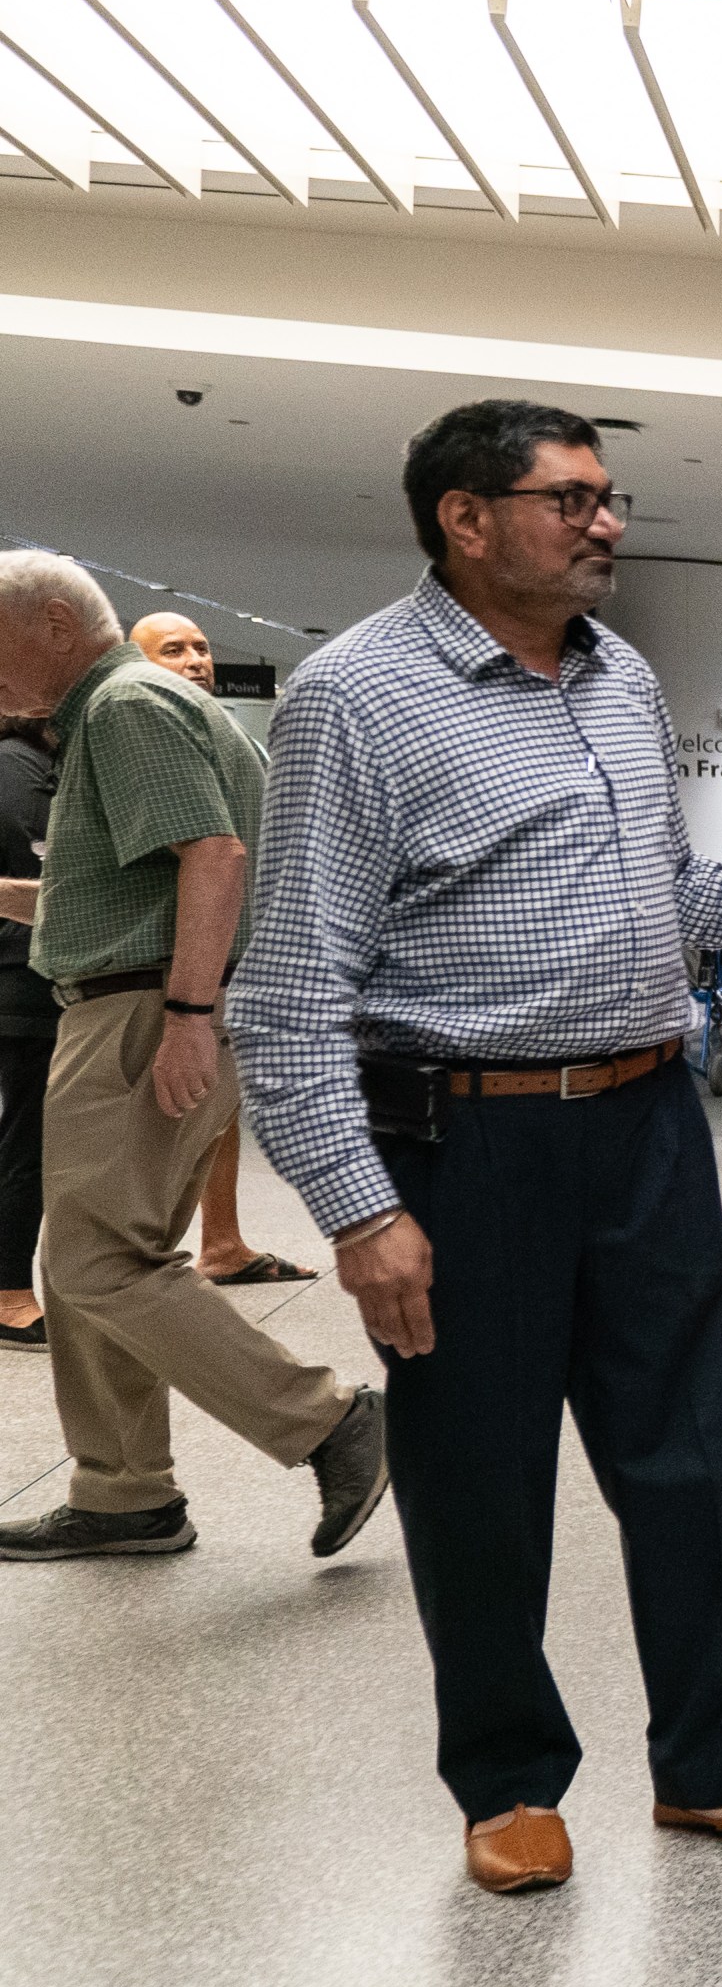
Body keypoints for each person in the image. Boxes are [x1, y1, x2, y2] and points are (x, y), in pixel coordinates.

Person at [232, 400, 722, 1893]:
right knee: (480, 1475)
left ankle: (708, 1765)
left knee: (686, 1460)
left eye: (607, 496)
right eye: (570, 499)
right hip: (467, 1140)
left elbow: (678, 896)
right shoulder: (353, 702)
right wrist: (362, 1213)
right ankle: (507, 1779)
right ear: (464, 516)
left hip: (646, 1126)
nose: (608, 522)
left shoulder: (620, 678)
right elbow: (291, 989)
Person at [0, 561, 383, 1565]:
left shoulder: (126, 703)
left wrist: (185, 1017)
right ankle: (124, 1492)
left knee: (93, 1263)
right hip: (141, 994)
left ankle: (330, 1420)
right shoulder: (130, 711)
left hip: (139, 1011)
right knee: (99, 1259)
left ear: (49, 623)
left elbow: (214, 859)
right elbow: (119, 899)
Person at [123, 609, 308, 1284]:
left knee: (218, 1107)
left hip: (234, 954)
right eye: (174, 650)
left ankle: (222, 1240)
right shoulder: (143, 729)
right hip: (177, 964)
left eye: (200, 648)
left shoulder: (217, 728)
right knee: (173, 1115)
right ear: (136, 660)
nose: (197, 660)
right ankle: (148, 1260)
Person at [0, 715, 53, 1346]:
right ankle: (9, 1288)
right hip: (25, 969)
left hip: (38, 966)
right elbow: (37, 857)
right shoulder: (17, 760)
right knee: (27, 1137)